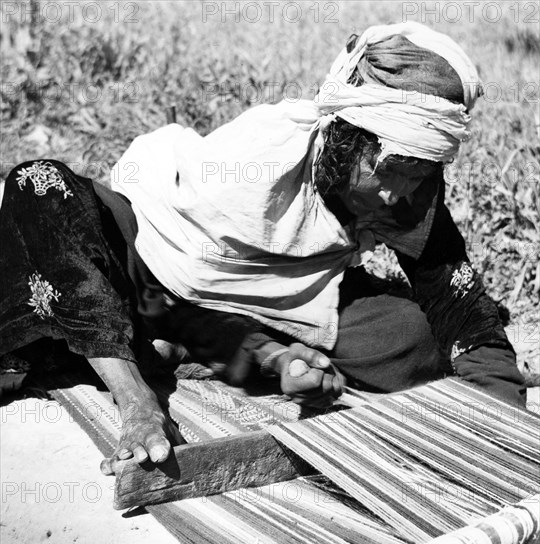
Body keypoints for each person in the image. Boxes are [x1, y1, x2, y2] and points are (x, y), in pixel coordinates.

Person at [0, 23, 526, 475]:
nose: (397, 193)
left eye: (419, 172)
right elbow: (187, 261)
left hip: (265, 304)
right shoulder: (260, 160)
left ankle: (184, 349)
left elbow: (454, 292)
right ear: (344, 143)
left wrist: (501, 421)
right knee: (38, 184)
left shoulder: (409, 188)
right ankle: (136, 389)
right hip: (147, 260)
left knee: (411, 337)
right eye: (388, 169)